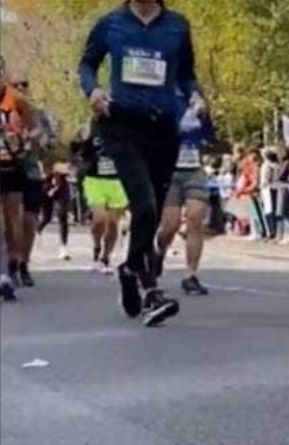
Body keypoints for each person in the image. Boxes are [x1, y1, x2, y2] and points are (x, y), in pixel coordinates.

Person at [79, 0, 205, 326]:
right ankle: (149, 288)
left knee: (151, 214)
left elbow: (187, 74)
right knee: (145, 206)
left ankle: (131, 271)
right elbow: (87, 64)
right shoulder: (111, 23)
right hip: (121, 125)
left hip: (164, 129)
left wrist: (196, 95)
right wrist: (92, 91)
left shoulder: (177, 25)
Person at [156, 96, 212, 296]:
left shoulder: (196, 98)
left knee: (195, 218)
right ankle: (159, 252)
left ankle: (190, 275)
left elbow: (208, 136)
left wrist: (204, 114)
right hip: (169, 171)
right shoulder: (160, 95)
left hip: (194, 169)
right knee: (170, 226)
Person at [0, 55, 38, 298]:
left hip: (12, 164)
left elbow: (35, 128)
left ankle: (14, 262)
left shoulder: (16, 99)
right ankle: (3, 272)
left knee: (13, 219)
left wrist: (23, 140)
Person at [80, 120, 129, 274]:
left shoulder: (125, 129)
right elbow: (81, 152)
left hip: (117, 181)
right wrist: (83, 138)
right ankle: (96, 247)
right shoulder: (93, 126)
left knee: (113, 223)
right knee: (99, 219)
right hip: (95, 180)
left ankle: (105, 257)